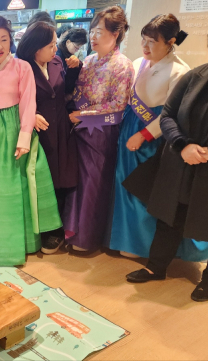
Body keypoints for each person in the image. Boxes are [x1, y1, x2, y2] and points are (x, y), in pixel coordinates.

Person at [124, 21, 208, 303]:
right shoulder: (196, 77)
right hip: (181, 160)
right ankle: (156, 267)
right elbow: (167, 115)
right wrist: (183, 145)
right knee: (171, 214)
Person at [0, 16, 61, 266]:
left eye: (4, 40)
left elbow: (29, 103)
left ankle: (17, 242)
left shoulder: (22, 67)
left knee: (13, 188)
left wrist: (25, 136)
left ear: (11, 40)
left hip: (12, 130)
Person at [111, 15, 208, 262]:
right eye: (143, 40)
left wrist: (144, 135)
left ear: (171, 42)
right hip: (129, 131)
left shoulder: (179, 71)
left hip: (153, 139)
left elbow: (172, 114)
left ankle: (143, 245)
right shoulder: (139, 62)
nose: (145, 46)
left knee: (144, 190)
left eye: (152, 41)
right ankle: (125, 238)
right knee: (124, 187)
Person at [63, 6, 134, 252]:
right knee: (77, 183)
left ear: (115, 34)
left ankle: (87, 238)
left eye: (100, 31)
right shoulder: (89, 60)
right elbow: (78, 92)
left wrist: (82, 116)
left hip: (102, 132)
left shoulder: (122, 65)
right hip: (80, 128)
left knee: (93, 184)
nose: (93, 36)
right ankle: (71, 233)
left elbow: (118, 106)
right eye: (92, 30)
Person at [16, 21, 78, 254]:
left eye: (56, 44)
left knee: (61, 177)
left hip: (61, 127)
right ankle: (40, 230)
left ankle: (57, 228)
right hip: (36, 132)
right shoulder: (21, 67)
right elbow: (14, 100)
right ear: (36, 48)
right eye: (51, 45)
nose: (56, 49)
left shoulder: (57, 61)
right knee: (41, 181)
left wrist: (74, 71)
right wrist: (31, 116)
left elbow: (63, 91)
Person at [56, 27, 88, 95]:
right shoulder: (58, 55)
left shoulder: (67, 53)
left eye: (79, 48)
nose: (77, 50)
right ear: (68, 42)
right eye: (76, 47)